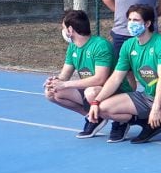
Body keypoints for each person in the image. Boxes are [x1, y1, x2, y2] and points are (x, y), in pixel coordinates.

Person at [86, 4, 161, 144]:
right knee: (102, 108)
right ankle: (146, 123)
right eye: (129, 20)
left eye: (136, 20)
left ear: (148, 23)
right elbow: (115, 78)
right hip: (146, 95)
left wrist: (156, 109)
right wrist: (96, 101)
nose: (131, 24)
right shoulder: (128, 45)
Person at [45, 10, 129, 138]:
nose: (63, 31)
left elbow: (100, 79)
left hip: (114, 90)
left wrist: (65, 84)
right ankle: (93, 117)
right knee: (51, 92)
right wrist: (55, 81)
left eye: (63, 28)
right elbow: (64, 75)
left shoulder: (100, 45)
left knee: (91, 92)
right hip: (91, 89)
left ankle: (121, 121)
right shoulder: (73, 47)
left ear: (70, 29)